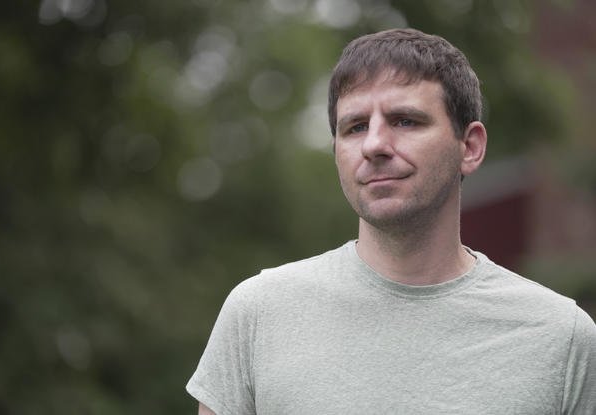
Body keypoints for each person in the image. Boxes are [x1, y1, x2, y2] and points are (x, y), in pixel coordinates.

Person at [186, 28, 596, 414]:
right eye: (355, 127)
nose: (375, 145)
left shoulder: (561, 338)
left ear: (469, 147)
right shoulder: (259, 314)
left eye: (405, 121)